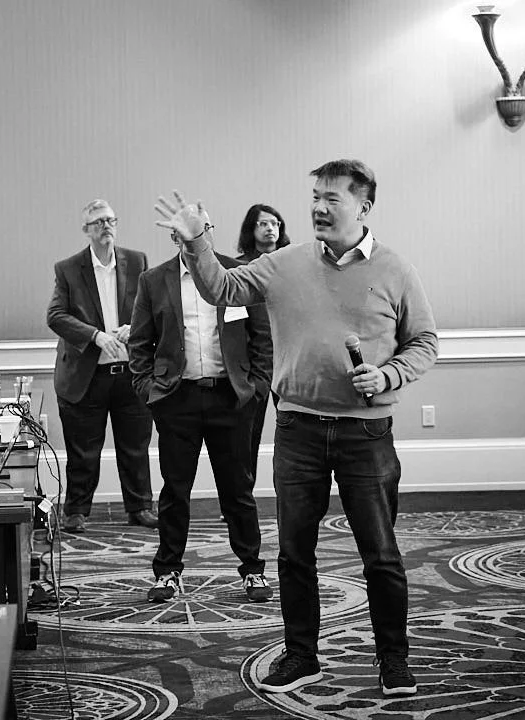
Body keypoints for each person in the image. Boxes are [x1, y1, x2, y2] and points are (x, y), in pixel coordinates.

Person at [153, 160, 438, 697]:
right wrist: (197, 240)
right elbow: (222, 289)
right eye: (314, 196)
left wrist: (387, 374)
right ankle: (301, 655)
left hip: (366, 433)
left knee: (380, 552)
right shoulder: (283, 262)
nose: (318, 207)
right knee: (293, 551)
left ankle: (393, 659)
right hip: (298, 430)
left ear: (364, 207)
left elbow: (424, 343)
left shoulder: (397, 270)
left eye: (332, 198)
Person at [128, 227, 273, 604]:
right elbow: (140, 345)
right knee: (175, 490)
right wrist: (151, 392)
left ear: (209, 233)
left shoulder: (238, 274)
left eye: (202, 229)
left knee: (238, 490)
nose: (195, 237)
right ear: (175, 238)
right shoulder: (153, 280)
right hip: (177, 399)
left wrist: (256, 388)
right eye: (187, 232)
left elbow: (263, 339)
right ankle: (168, 572)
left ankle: (252, 570)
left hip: (232, 399)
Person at [46, 199, 156, 533]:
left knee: (135, 446)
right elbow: (55, 316)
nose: (106, 226)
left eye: (110, 220)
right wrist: (95, 336)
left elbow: (148, 307)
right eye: (98, 222)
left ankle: (140, 507)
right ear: (86, 231)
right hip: (86, 375)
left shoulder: (137, 261)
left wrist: (132, 327)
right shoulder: (68, 269)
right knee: (84, 450)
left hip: (129, 372)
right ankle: (77, 511)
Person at [236, 204, 290, 496]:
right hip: (253, 363)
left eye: (275, 223)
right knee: (247, 435)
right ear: (251, 230)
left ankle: (293, 491)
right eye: (263, 224)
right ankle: (242, 494)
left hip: (288, 358)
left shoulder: (292, 263)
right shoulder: (240, 267)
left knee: (293, 431)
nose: (270, 229)